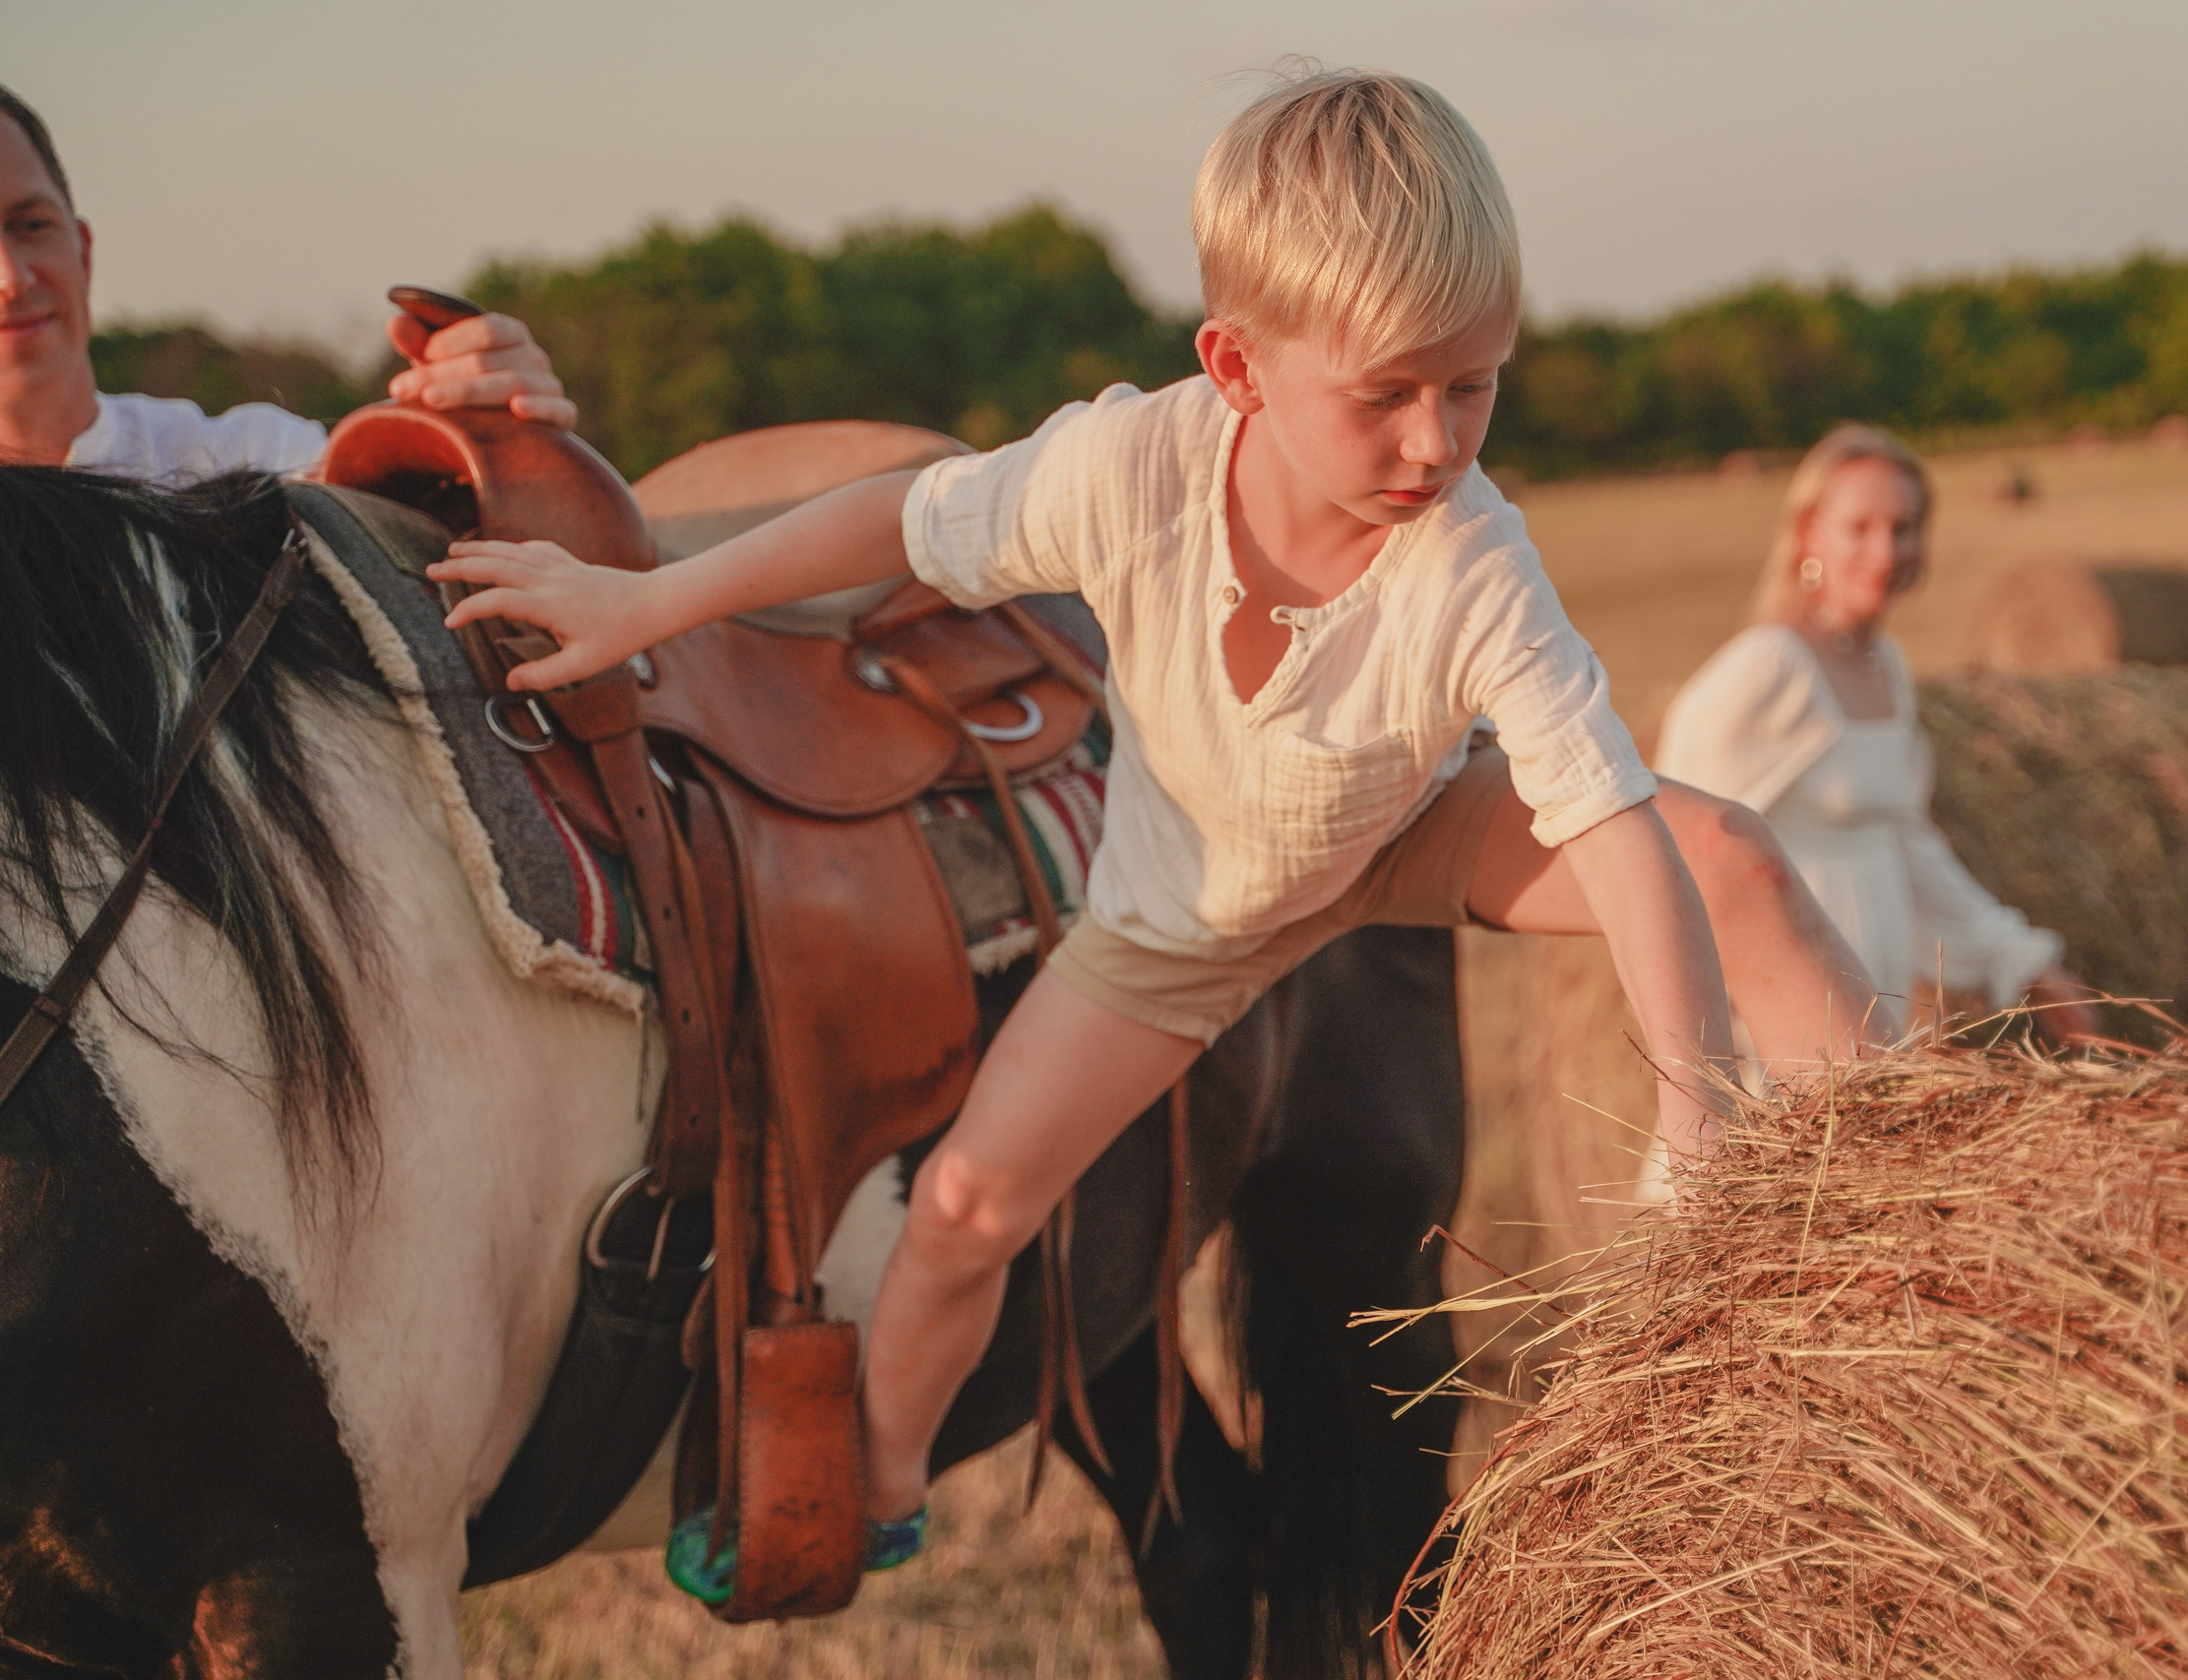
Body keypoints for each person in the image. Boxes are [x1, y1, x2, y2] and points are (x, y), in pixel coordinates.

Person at [425, 67, 1877, 1578]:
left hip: (1402, 833)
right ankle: (880, 1483)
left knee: (1733, 855)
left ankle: (1916, 1202)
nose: (1438, 441)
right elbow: (899, 518)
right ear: (1236, 367)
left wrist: (1699, 1113)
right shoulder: (1132, 471)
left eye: (1476, 383)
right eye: (1386, 392)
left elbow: (1618, 828)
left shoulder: (1474, 554)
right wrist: (652, 594)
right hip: (1170, 923)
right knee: (966, 1213)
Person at [1655, 424, 2101, 1045]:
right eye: (1859, 528)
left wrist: (2025, 963)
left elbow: (1908, 843)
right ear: (1808, 532)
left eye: (1904, 527)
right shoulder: (1769, 667)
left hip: (1867, 1025)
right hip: (1769, 1037)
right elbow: (1676, 847)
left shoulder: (1886, 668)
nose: (1886, 551)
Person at [0, 83, 574, 484]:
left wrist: (494, 442)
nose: (12, 278)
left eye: (31, 225)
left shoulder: (249, 466)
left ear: (85, 252)